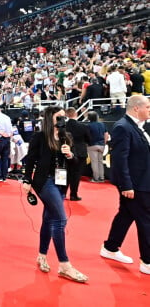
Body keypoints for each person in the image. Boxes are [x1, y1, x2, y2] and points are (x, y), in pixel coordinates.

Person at [22, 106, 88, 283]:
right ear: (50, 118)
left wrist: (70, 155)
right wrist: (27, 180)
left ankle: (42, 255)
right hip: (44, 182)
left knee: (49, 219)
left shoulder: (66, 136)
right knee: (60, 219)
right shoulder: (40, 136)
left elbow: (74, 164)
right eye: (59, 117)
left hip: (61, 182)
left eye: (63, 117)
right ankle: (64, 264)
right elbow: (30, 159)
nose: (62, 120)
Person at [100, 95, 150, 274]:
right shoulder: (123, 127)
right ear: (137, 108)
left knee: (126, 215)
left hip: (141, 181)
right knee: (145, 220)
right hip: (135, 185)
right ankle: (147, 261)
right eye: (148, 107)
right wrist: (126, 185)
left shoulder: (135, 127)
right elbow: (120, 160)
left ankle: (110, 247)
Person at [62, 107, 90, 201]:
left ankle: (63, 193)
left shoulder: (63, 126)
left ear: (66, 114)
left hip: (66, 151)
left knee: (66, 173)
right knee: (76, 175)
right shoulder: (83, 126)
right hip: (80, 152)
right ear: (76, 114)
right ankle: (73, 195)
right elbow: (89, 139)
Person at [86, 111, 108, 183]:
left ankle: (96, 178)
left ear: (89, 118)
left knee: (94, 162)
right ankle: (102, 178)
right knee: (100, 162)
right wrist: (104, 143)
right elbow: (106, 135)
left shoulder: (88, 126)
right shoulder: (102, 124)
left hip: (92, 145)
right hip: (101, 145)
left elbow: (87, 136)